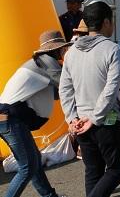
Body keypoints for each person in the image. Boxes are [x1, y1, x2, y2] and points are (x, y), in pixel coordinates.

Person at [59, 1, 120, 197]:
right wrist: (95, 118)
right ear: (106, 22)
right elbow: (111, 89)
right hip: (106, 121)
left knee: (93, 171)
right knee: (117, 169)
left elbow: (65, 89)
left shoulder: (71, 52)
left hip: (80, 122)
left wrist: (72, 118)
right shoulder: (113, 49)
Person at [0, 30, 70, 197]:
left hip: (9, 119)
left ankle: (49, 195)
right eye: (63, 49)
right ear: (57, 49)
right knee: (28, 167)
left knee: (34, 161)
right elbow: (67, 85)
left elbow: (56, 94)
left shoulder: (40, 63)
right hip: (11, 119)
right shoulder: (47, 62)